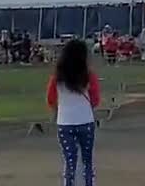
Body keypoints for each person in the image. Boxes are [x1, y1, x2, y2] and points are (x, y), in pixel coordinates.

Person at [48, 39, 101, 186]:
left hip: (65, 123)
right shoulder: (89, 76)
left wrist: (61, 109)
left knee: (70, 162)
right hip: (85, 121)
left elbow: (51, 99)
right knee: (87, 161)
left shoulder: (57, 78)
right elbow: (95, 100)